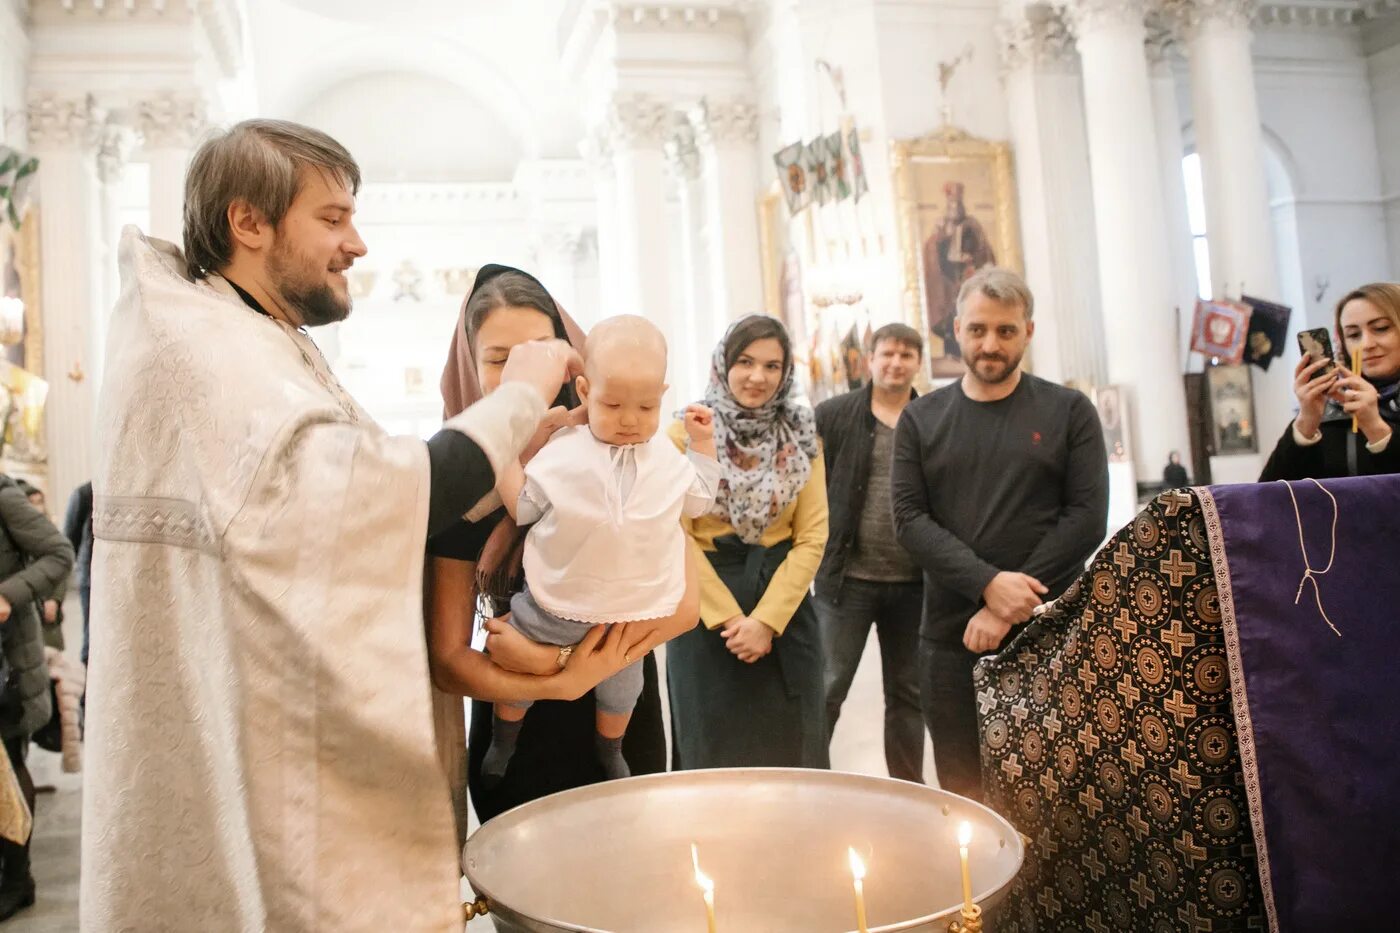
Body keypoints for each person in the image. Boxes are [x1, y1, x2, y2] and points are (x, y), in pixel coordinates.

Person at [84, 119, 631, 930]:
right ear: (249, 222)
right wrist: (521, 394)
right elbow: (365, 498)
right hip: (264, 775)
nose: (358, 244)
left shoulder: (253, 334)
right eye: (333, 218)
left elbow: (345, 499)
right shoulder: (209, 349)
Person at [428, 267, 699, 826]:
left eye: (537, 354)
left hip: (621, 725)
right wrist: (560, 676)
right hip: (518, 738)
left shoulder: (633, 456)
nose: (520, 375)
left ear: (571, 363)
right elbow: (449, 660)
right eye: (499, 358)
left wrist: (562, 665)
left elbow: (686, 607)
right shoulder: (455, 484)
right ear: (470, 364)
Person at [892, 267, 1107, 801]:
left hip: (1049, 630)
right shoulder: (920, 419)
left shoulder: (1069, 411)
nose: (991, 344)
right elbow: (909, 520)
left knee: (1056, 788)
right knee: (963, 794)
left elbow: (1085, 516)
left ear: (1028, 332)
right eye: (978, 329)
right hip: (950, 636)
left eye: (1006, 331)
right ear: (957, 328)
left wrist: (1009, 601)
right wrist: (988, 585)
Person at [480, 316, 717, 785]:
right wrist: (504, 447)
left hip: (627, 618)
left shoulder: (666, 459)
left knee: (623, 691)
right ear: (585, 391)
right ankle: (502, 742)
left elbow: (701, 499)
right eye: (612, 404)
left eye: (647, 407)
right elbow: (524, 506)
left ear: (663, 397)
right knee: (513, 677)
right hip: (554, 605)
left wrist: (703, 444)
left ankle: (611, 750)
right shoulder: (564, 449)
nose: (630, 420)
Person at [667, 314, 830, 770]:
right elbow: (672, 534)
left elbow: (813, 536)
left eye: (772, 366)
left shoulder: (802, 436)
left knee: (793, 759)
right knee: (710, 756)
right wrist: (728, 619)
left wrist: (765, 622)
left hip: (785, 616)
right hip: (702, 615)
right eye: (745, 361)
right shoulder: (685, 433)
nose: (758, 377)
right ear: (724, 363)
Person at [813, 322, 925, 783]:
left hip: (916, 582)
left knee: (908, 693)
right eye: (887, 354)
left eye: (906, 355)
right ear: (870, 359)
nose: (896, 363)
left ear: (917, 363)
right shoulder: (834, 414)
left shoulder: (934, 415)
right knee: (828, 685)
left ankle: (907, 788)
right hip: (847, 579)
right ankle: (809, 778)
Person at [0, 473, 74, 920]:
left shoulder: (5, 497)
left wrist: (7, 594)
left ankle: (17, 878)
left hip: (7, 663)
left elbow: (59, 553)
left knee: (9, 765)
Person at [1260, 282, 1400, 481]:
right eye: (1353, 334)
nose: (1366, 344)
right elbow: (1269, 497)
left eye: (1381, 328)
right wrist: (1306, 423)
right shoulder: (1333, 405)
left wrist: (1375, 426)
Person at [922, 181, 995, 359]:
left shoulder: (972, 225)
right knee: (950, 314)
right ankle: (951, 351)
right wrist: (938, 239)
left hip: (969, 275)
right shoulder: (942, 225)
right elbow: (934, 250)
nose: (954, 207)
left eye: (957, 202)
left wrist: (973, 264)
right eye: (951, 203)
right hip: (948, 276)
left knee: (970, 312)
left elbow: (983, 250)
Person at [62, 482, 93, 668]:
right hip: (90, 579)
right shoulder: (84, 494)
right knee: (92, 634)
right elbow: (69, 540)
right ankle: (88, 689)